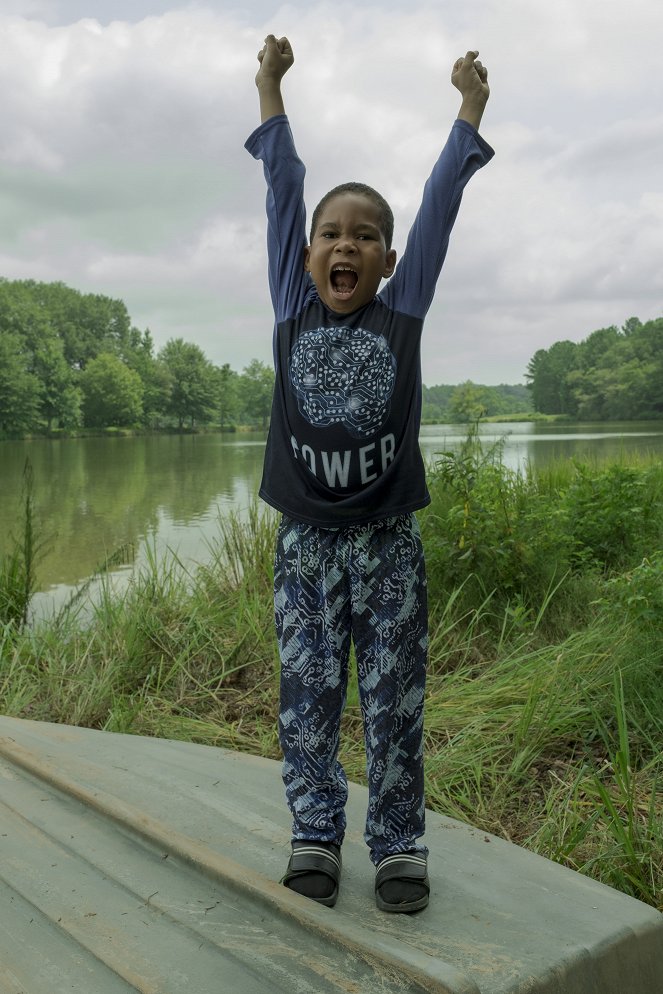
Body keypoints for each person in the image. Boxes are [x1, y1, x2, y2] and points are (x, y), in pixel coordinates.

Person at [246, 33, 493, 913]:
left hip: (388, 547)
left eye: (365, 238)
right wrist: (270, 89)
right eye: (330, 235)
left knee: (394, 702)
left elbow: (436, 209)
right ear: (308, 254)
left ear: (387, 260)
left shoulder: (405, 310)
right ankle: (315, 835)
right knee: (307, 702)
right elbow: (283, 190)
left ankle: (397, 848)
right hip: (307, 547)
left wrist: (467, 111)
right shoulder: (290, 303)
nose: (344, 246)